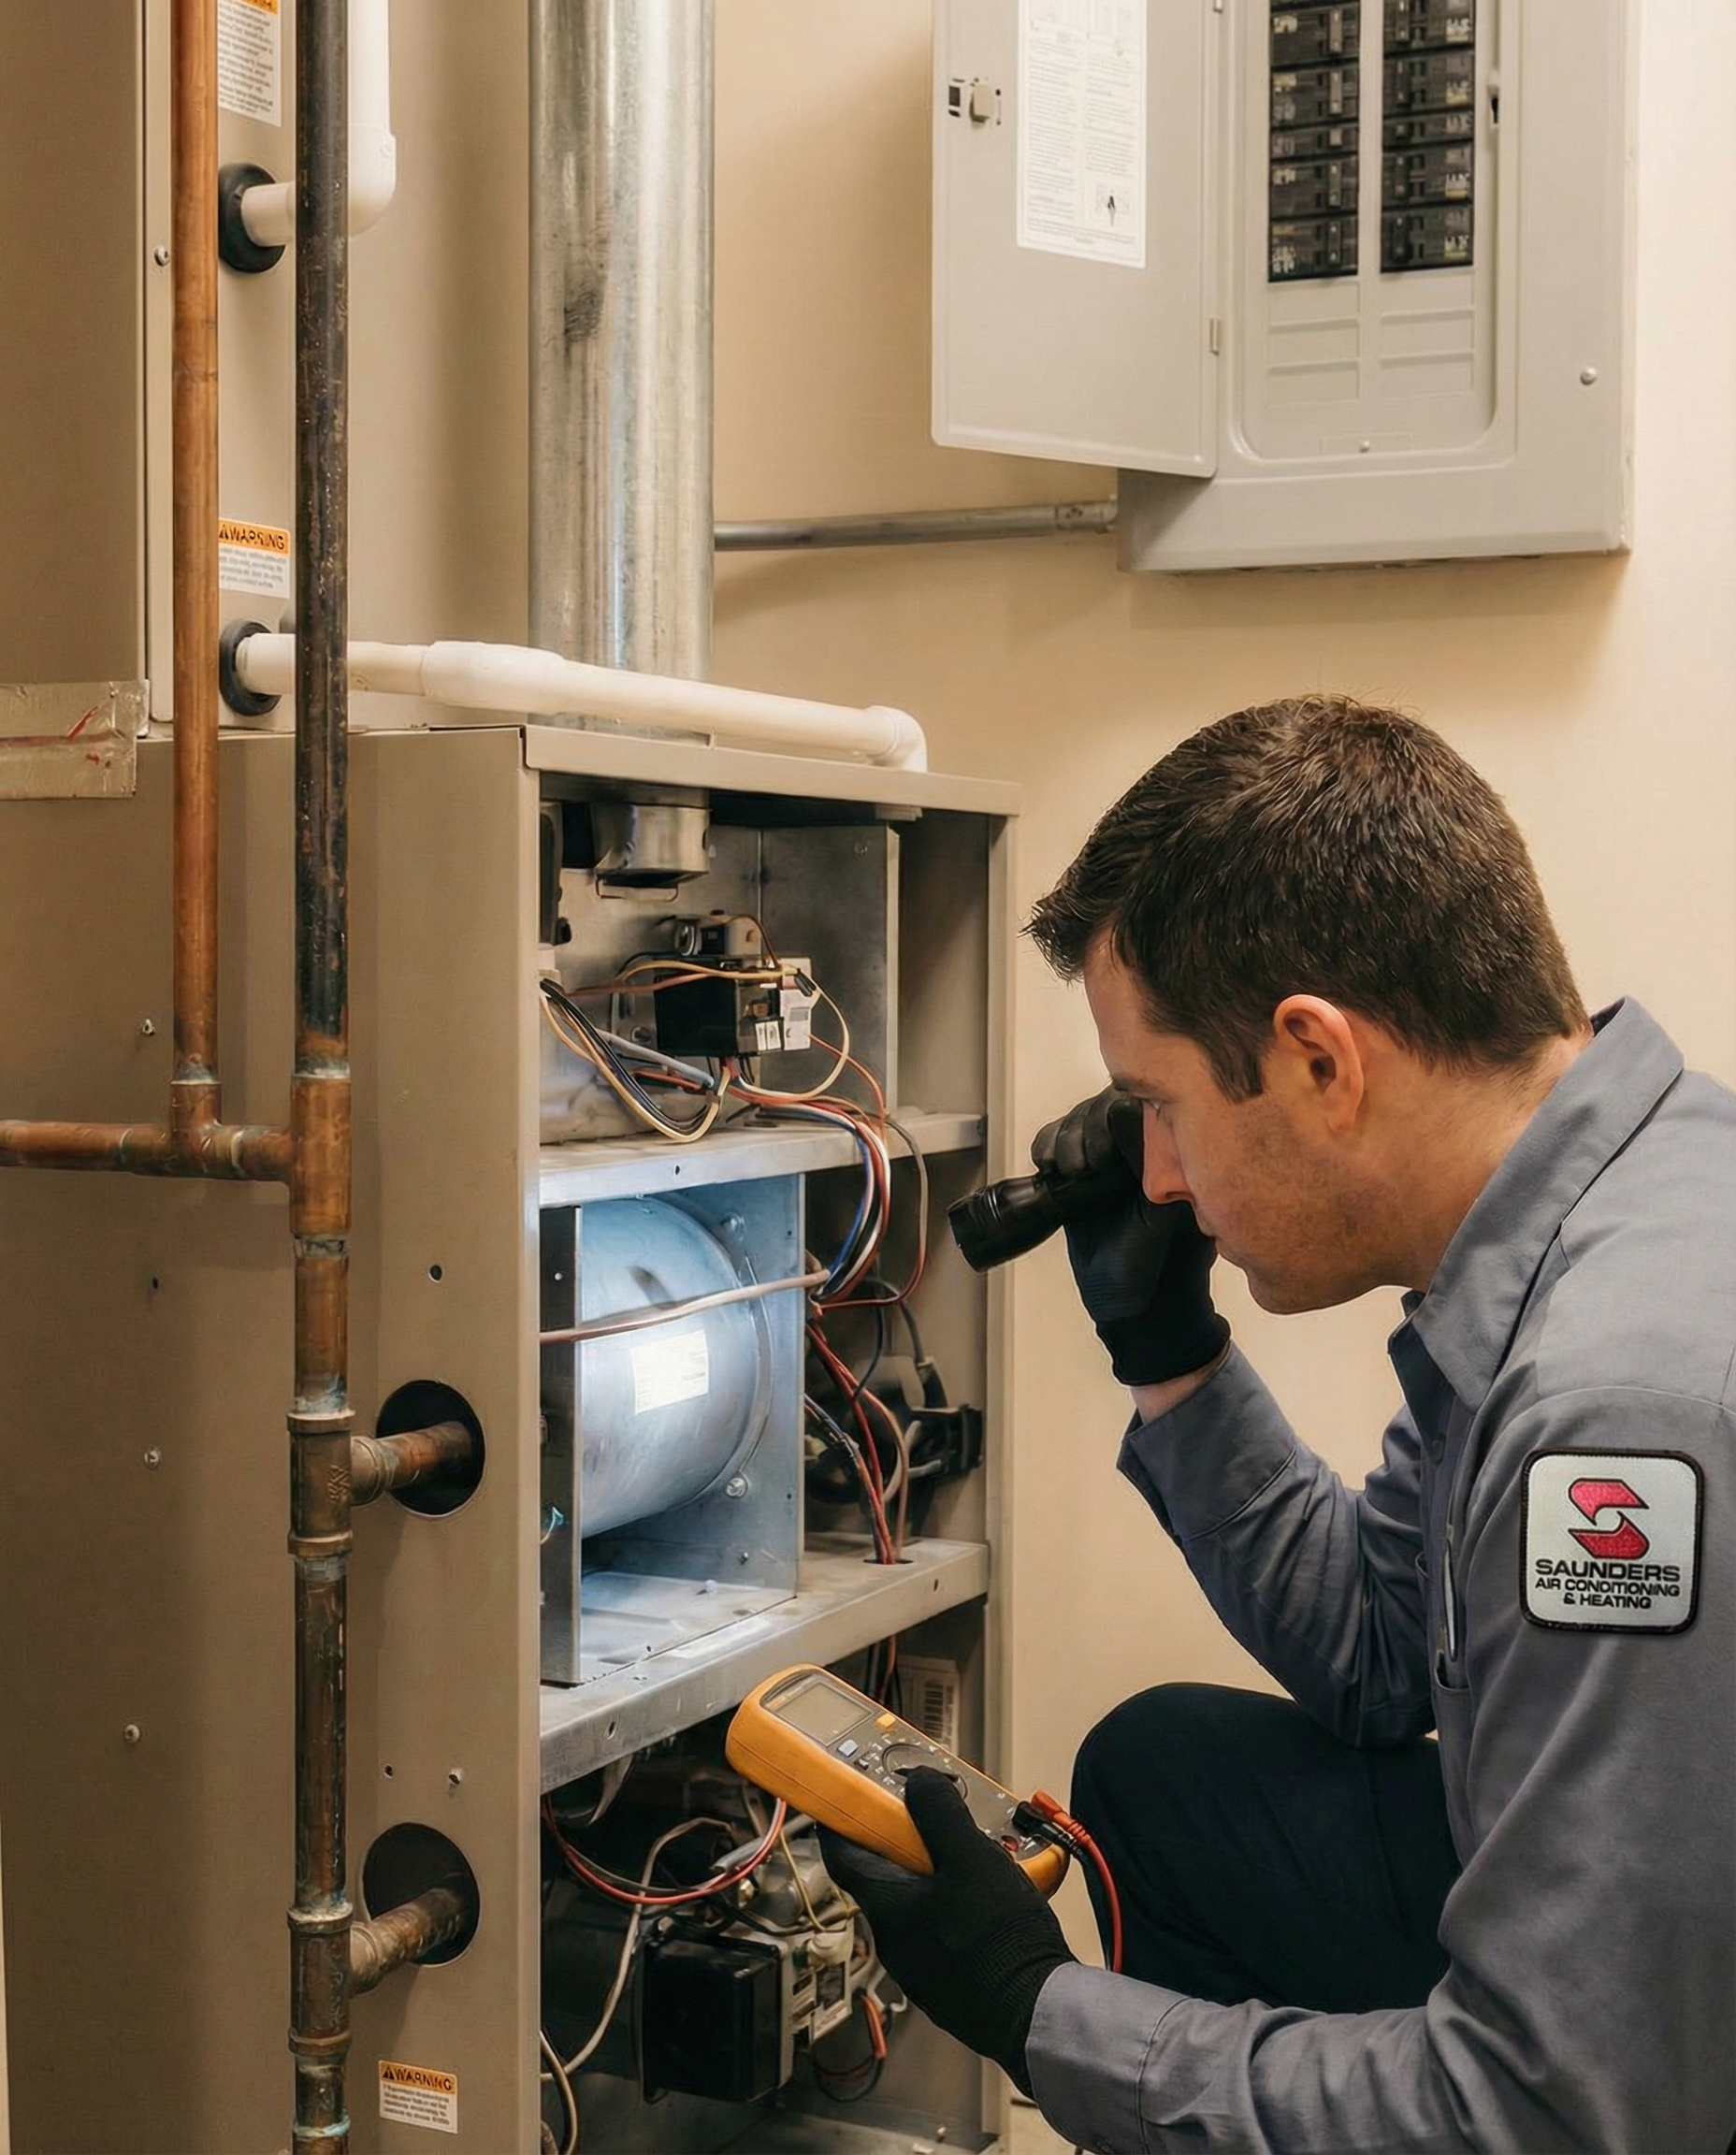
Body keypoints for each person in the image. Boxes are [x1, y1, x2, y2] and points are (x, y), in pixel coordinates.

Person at [821, 697, 1736, 2152]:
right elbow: (1383, 1658)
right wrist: (1166, 1347)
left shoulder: (1611, 1423)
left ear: (1320, 1059)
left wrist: (1039, 2012)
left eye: (1161, 1107)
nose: (1161, 1179)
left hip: (1638, 2092)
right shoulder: (1610, 1193)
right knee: (1170, 1779)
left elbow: (1560, 2114)